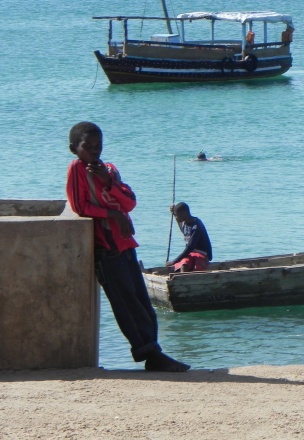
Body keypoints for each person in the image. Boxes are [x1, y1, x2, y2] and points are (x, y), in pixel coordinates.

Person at [66, 121, 190, 372]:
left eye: (98, 146)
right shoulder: (76, 170)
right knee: (126, 304)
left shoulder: (109, 169)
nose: (94, 151)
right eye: (87, 147)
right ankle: (149, 353)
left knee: (141, 301)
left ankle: (155, 351)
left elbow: (130, 201)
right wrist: (113, 214)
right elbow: (80, 206)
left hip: (125, 244)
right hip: (107, 248)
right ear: (74, 149)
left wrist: (108, 181)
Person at [167, 202, 213, 272]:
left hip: (202, 253)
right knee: (184, 264)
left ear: (184, 213)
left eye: (177, 215)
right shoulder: (184, 223)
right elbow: (180, 225)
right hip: (191, 254)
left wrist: (174, 261)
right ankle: (182, 281)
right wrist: (173, 212)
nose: (176, 217)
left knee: (197, 268)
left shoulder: (196, 225)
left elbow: (190, 246)